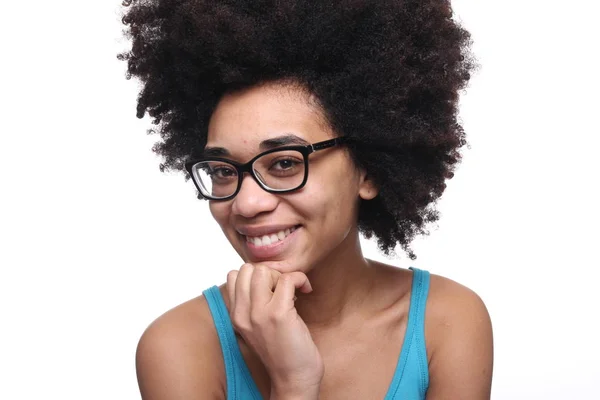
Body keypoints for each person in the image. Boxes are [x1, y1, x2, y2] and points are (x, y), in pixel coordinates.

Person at [119, 0, 493, 398]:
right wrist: (293, 384)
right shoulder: (178, 347)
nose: (247, 204)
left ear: (366, 169)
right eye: (224, 171)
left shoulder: (447, 322)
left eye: (283, 164)